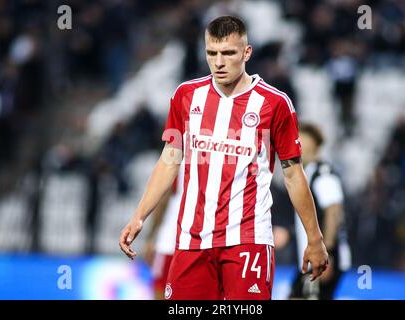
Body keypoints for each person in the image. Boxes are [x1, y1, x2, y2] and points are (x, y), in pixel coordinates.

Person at [119, 15, 328, 300]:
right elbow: (169, 161)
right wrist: (139, 216)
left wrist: (314, 238)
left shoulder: (275, 103)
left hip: (248, 240)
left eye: (228, 53)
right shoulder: (186, 95)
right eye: (212, 53)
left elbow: (293, 175)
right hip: (192, 240)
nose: (219, 62)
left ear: (246, 52)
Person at [289, 123, 351, 300]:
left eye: (302, 139)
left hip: (323, 259)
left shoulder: (323, 172)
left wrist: (328, 254)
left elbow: (333, 211)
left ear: (315, 144)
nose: (297, 143)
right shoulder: (306, 173)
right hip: (312, 260)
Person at [142, 162, 184, 299]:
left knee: (161, 294)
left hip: (170, 241)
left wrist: (152, 237)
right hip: (200, 242)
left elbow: (162, 200)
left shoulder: (179, 158)